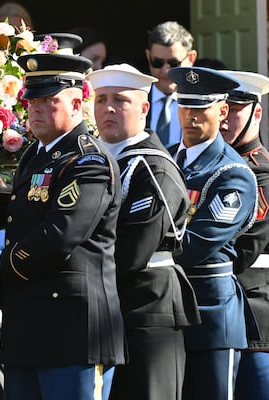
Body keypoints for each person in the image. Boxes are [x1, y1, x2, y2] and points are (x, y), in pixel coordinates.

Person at [0, 51, 126, 400]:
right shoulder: (35, 154)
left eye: (49, 100)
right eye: (32, 100)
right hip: (28, 320)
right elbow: (19, 217)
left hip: (69, 327)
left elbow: (63, 232)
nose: (37, 109)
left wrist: (2, 262)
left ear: (76, 103)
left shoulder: (88, 161)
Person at [87, 63, 201, 400]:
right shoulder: (93, 159)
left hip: (148, 308)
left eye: (120, 100)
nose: (108, 108)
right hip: (108, 306)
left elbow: (132, 249)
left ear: (144, 108)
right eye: (101, 99)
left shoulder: (154, 167)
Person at [167, 66, 258, 400]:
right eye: (185, 105)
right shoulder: (165, 157)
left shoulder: (232, 172)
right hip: (167, 313)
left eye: (201, 108)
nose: (190, 116)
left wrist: (138, 249)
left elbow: (195, 244)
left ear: (222, 111)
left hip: (211, 320)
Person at [219, 70, 269, 400]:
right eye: (221, 108)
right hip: (221, 318)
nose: (225, 119)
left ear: (256, 113)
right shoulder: (212, 167)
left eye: (235, 109)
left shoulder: (260, 172)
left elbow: (246, 248)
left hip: (254, 320)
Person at [145, 21, 198, 148]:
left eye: (174, 63)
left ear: (191, 58)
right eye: (157, 62)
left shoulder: (201, 103)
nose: (165, 71)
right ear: (148, 57)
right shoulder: (135, 99)